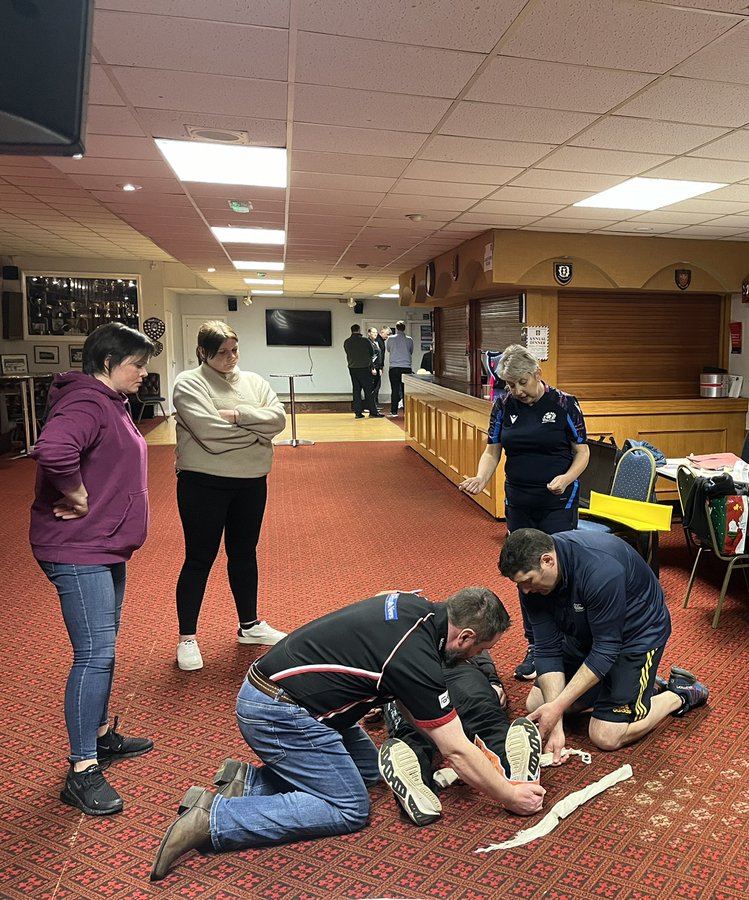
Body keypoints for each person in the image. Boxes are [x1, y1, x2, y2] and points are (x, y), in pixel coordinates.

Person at [149, 588, 544, 881]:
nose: (476, 658)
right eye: (480, 650)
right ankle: (215, 819)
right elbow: (454, 749)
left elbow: (414, 703)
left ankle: (246, 782)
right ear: (466, 637)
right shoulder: (417, 657)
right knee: (349, 808)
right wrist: (508, 794)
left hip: (287, 695)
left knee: (370, 772)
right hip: (278, 712)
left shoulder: (416, 607)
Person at [30, 322, 157, 815]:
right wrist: (76, 493)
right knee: (94, 655)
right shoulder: (86, 401)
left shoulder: (111, 401)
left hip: (103, 545)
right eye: (137, 364)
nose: (144, 373)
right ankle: (82, 769)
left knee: (103, 647)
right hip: (76, 548)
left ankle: (101, 736)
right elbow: (53, 449)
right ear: (107, 363)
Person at [498, 528, 709, 758]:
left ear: (547, 560)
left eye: (528, 581)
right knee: (537, 704)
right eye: (519, 584)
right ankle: (637, 684)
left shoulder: (600, 571)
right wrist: (555, 724)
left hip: (636, 636)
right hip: (587, 632)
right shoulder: (531, 587)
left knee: (606, 736)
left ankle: (679, 693)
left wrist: (557, 707)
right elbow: (547, 649)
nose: (524, 590)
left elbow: (606, 650)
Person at [460, 345, 590, 682]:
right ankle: (537, 644)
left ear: (537, 374)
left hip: (558, 502)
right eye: (510, 384)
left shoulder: (564, 403)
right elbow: (492, 451)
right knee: (526, 575)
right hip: (519, 502)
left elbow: (582, 452)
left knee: (557, 572)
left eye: (522, 382)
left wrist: (566, 478)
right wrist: (481, 478)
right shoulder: (504, 405)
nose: (517, 391)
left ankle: (568, 642)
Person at [172, 321, 289, 672]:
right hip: (203, 483)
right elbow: (209, 433)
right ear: (203, 352)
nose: (231, 357)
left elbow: (278, 420)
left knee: (244, 554)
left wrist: (238, 416)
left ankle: (249, 625)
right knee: (199, 558)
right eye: (222, 352)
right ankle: (187, 637)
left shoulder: (254, 382)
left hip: (251, 482)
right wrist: (257, 435)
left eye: (234, 350)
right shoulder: (189, 383)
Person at [378, 650, 542, 826]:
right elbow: (480, 651)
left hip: (402, 680)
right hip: (458, 668)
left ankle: (420, 793)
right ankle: (512, 770)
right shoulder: (458, 636)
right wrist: (494, 681)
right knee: (485, 718)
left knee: (411, 733)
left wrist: (373, 701)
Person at [343, 323, 382, 418]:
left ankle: (358, 412)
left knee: (356, 390)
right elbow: (372, 352)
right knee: (369, 390)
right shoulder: (365, 341)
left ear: (351, 330)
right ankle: (373, 412)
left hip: (352, 368)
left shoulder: (347, 342)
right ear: (359, 330)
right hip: (364, 368)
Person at [386, 322, 414, 416]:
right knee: (406, 390)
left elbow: (388, 349)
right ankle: (407, 411)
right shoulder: (409, 339)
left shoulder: (390, 339)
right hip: (406, 367)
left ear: (396, 328)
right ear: (404, 328)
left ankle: (394, 411)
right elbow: (411, 351)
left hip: (394, 367)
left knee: (394, 389)